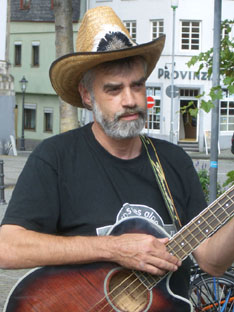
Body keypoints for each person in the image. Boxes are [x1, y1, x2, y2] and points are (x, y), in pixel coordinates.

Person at [0, 5, 233, 309]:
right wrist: (114, 248)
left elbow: (212, 263)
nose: (130, 100)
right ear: (87, 95)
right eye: (114, 89)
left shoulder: (173, 161)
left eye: (137, 85)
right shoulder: (55, 158)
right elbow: (7, 247)